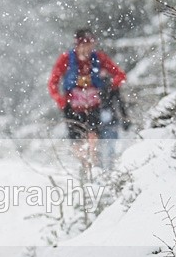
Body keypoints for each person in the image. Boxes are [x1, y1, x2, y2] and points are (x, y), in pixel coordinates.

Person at [48, 28, 127, 169]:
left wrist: (109, 87)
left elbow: (120, 75)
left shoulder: (99, 58)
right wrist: (60, 100)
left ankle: (95, 169)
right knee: (77, 144)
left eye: (90, 45)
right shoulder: (66, 59)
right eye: (84, 45)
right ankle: (84, 169)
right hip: (72, 108)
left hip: (93, 107)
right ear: (77, 45)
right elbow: (53, 82)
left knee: (93, 141)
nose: (87, 49)